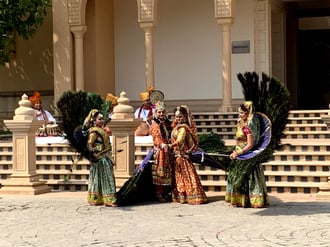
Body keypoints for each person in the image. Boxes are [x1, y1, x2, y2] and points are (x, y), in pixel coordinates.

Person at [226, 101, 269, 208]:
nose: (239, 115)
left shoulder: (247, 127)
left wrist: (239, 152)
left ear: (248, 114)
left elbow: (250, 144)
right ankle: (239, 200)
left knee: (247, 177)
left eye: (241, 113)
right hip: (238, 154)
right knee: (237, 177)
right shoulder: (241, 124)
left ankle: (252, 200)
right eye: (239, 113)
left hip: (246, 154)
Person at [169, 105, 208, 205]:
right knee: (179, 177)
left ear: (185, 117)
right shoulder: (176, 127)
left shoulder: (183, 129)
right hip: (177, 157)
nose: (178, 118)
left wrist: (170, 145)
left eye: (180, 116)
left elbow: (180, 140)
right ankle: (182, 196)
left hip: (182, 157)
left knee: (186, 177)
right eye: (176, 116)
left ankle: (191, 196)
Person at [82, 109, 117, 207]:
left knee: (105, 177)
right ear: (94, 120)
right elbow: (89, 144)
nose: (101, 121)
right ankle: (105, 199)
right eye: (99, 119)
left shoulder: (101, 130)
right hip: (99, 158)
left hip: (104, 156)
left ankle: (104, 199)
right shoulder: (94, 131)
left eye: (102, 119)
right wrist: (96, 150)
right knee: (103, 177)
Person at [149, 101, 173, 202]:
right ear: (156, 113)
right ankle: (159, 194)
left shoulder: (167, 123)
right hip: (160, 152)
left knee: (168, 173)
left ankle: (166, 193)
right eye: (159, 112)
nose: (161, 114)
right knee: (160, 173)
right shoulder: (155, 124)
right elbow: (156, 137)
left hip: (168, 150)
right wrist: (161, 144)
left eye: (163, 112)